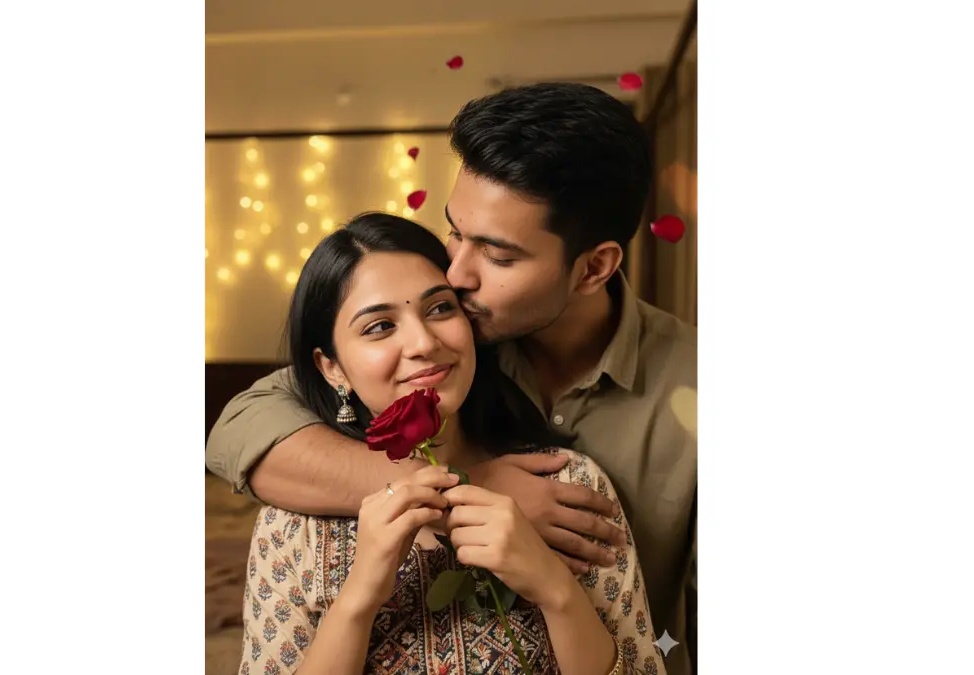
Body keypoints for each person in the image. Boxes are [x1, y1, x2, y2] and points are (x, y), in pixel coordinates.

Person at [208, 83, 697, 674]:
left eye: (498, 255)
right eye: (455, 232)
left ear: (593, 267)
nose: (457, 274)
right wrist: (463, 485)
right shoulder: (449, 338)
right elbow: (239, 429)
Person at [240, 212, 663, 674]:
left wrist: (554, 589)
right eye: (379, 326)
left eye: (440, 308)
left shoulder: (567, 486)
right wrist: (358, 600)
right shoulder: (290, 528)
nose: (423, 342)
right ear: (332, 368)